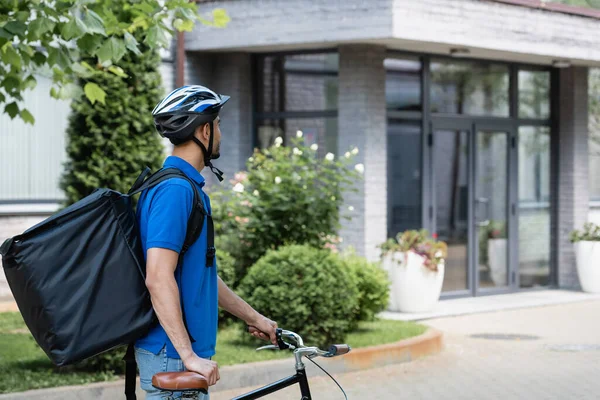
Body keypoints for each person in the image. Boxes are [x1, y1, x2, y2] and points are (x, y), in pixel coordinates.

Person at [135, 85, 278, 399]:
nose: (221, 134)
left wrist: (257, 319)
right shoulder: (176, 190)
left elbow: (203, 277)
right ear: (204, 130)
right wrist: (188, 356)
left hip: (180, 357)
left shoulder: (184, 187)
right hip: (173, 359)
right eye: (218, 125)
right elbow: (158, 277)